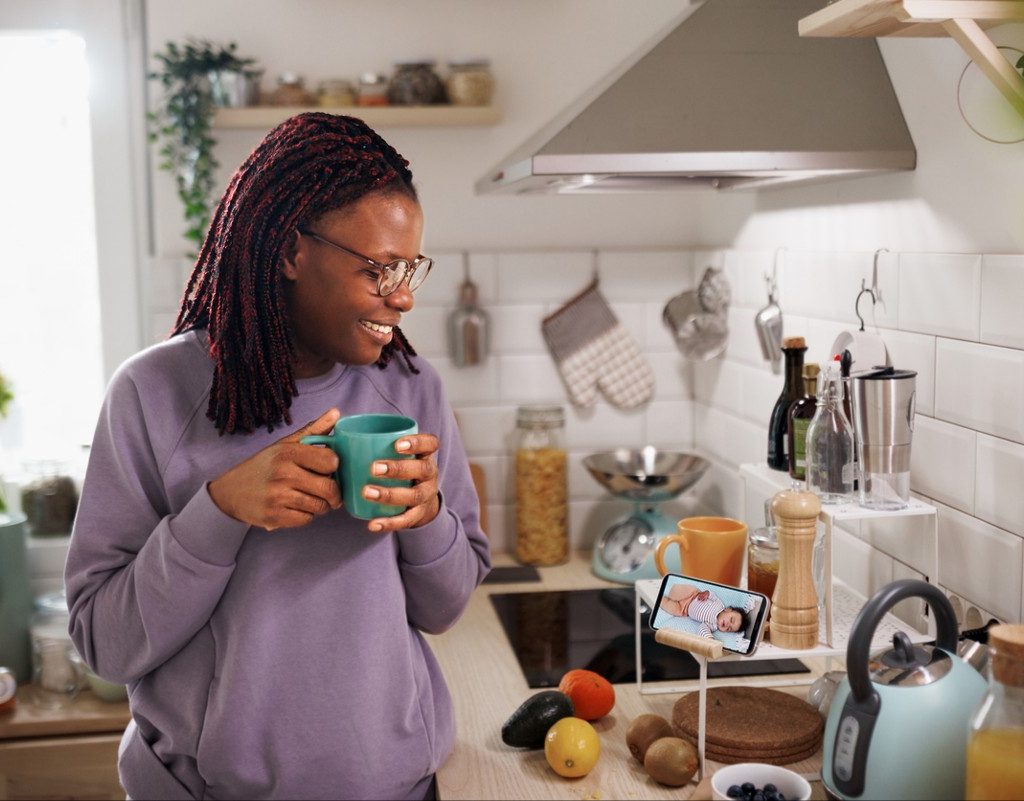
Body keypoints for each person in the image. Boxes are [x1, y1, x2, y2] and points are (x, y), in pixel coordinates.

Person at [64, 112, 491, 801]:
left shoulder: (413, 387)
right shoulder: (153, 393)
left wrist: (429, 516)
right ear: (292, 251)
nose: (403, 297)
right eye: (379, 270)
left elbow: (445, 608)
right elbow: (104, 645)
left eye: (409, 268)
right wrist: (219, 511)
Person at [659, 583, 749, 639]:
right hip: (693, 595)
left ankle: (661, 600)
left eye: (729, 629)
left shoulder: (712, 626)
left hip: (683, 610)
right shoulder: (719, 605)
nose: (728, 625)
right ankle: (671, 592)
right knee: (679, 590)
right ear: (728, 610)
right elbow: (712, 595)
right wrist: (706, 593)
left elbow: (703, 629)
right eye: (731, 620)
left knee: (670, 608)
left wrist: (709, 639)